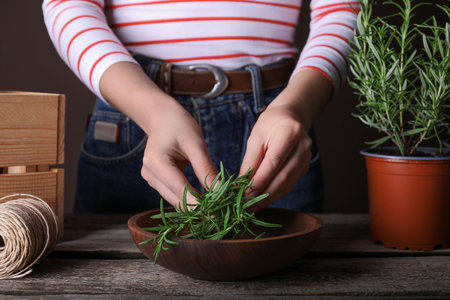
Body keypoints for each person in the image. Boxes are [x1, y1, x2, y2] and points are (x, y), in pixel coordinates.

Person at [42, 0, 359, 213]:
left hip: (275, 123)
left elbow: (340, 11)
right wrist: (152, 112)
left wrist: (296, 109)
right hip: (136, 118)